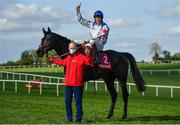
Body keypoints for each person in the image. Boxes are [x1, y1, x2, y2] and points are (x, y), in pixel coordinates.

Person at [49, 42, 94, 123]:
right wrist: (53, 60)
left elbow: (89, 62)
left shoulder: (81, 57)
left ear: (76, 48)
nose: (71, 49)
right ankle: (70, 119)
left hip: (77, 85)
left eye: (73, 48)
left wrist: (88, 53)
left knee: (78, 103)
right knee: (67, 102)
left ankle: (78, 120)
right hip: (68, 85)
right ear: (68, 49)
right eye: (70, 48)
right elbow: (62, 62)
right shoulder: (68, 57)